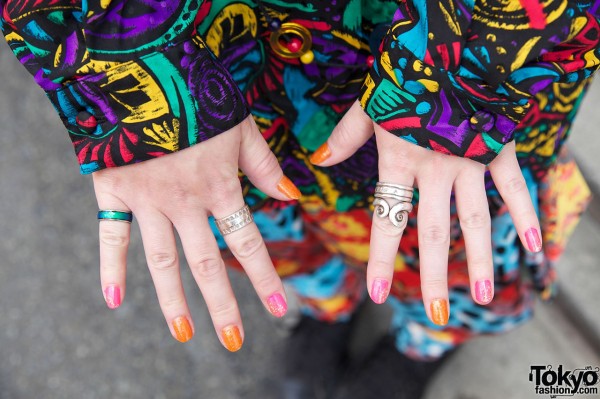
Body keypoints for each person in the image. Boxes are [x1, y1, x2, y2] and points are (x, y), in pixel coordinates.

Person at [1, 0, 598, 397]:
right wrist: (138, 80)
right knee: (268, 232)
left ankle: (425, 343)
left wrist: (457, 77)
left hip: (461, 66)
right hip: (227, 72)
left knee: (457, 250)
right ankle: (328, 309)